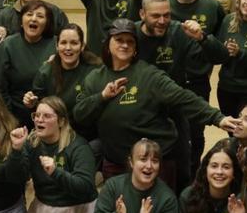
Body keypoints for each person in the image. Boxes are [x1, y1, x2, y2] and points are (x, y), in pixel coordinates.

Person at [73, 19, 237, 186]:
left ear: (136, 48)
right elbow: (80, 115)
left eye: (130, 41)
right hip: (116, 163)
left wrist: (217, 118)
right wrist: (102, 97)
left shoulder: (150, 75)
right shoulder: (94, 78)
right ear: (108, 44)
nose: (125, 45)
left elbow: (183, 98)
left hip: (153, 164)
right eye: (119, 40)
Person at [17, 97, 98, 213]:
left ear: (61, 121)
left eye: (46, 116)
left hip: (75, 209)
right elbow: (18, 177)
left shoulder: (78, 146)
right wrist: (16, 152)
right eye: (37, 115)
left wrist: (56, 173)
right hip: (42, 207)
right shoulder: (32, 143)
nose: (39, 120)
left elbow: (86, 188)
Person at [168, 0, 226, 172]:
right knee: (170, 130)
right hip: (169, 82)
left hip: (198, 82)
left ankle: (193, 174)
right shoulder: (165, 5)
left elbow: (220, 44)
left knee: (196, 132)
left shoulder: (212, 7)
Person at [26, 24, 102, 142]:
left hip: (88, 136)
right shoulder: (45, 72)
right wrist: (32, 103)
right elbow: (39, 109)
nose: (68, 48)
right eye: (63, 43)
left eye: (74, 43)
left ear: (82, 46)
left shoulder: (95, 69)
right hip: (55, 136)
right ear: (57, 46)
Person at [0, 0, 56, 127]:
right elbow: (0, 86)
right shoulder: (8, 44)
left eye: (40, 16)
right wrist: (9, 118)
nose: (34, 19)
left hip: (51, 114)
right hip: (15, 115)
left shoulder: (56, 44)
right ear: (21, 21)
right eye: (29, 14)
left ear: (47, 23)